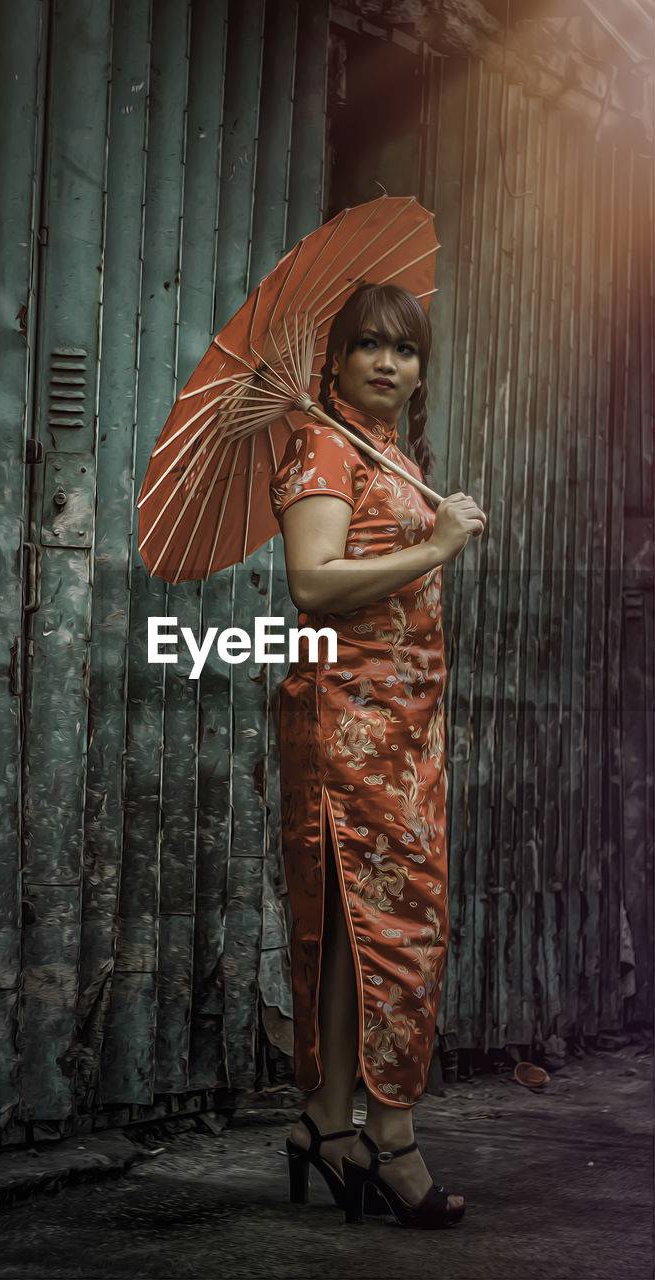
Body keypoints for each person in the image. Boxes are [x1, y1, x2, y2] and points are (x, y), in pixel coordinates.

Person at [269, 282, 486, 1228]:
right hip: (348, 718)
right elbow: (313, 583)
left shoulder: (386, 450)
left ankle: (323, 1123)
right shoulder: (321, 441)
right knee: (398, 922)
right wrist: (435, 546)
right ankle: (389, 1142)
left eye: (405, 350)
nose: (388, 364)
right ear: (336, 360)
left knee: (362, 927)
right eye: (368, 345)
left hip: (403, 725)